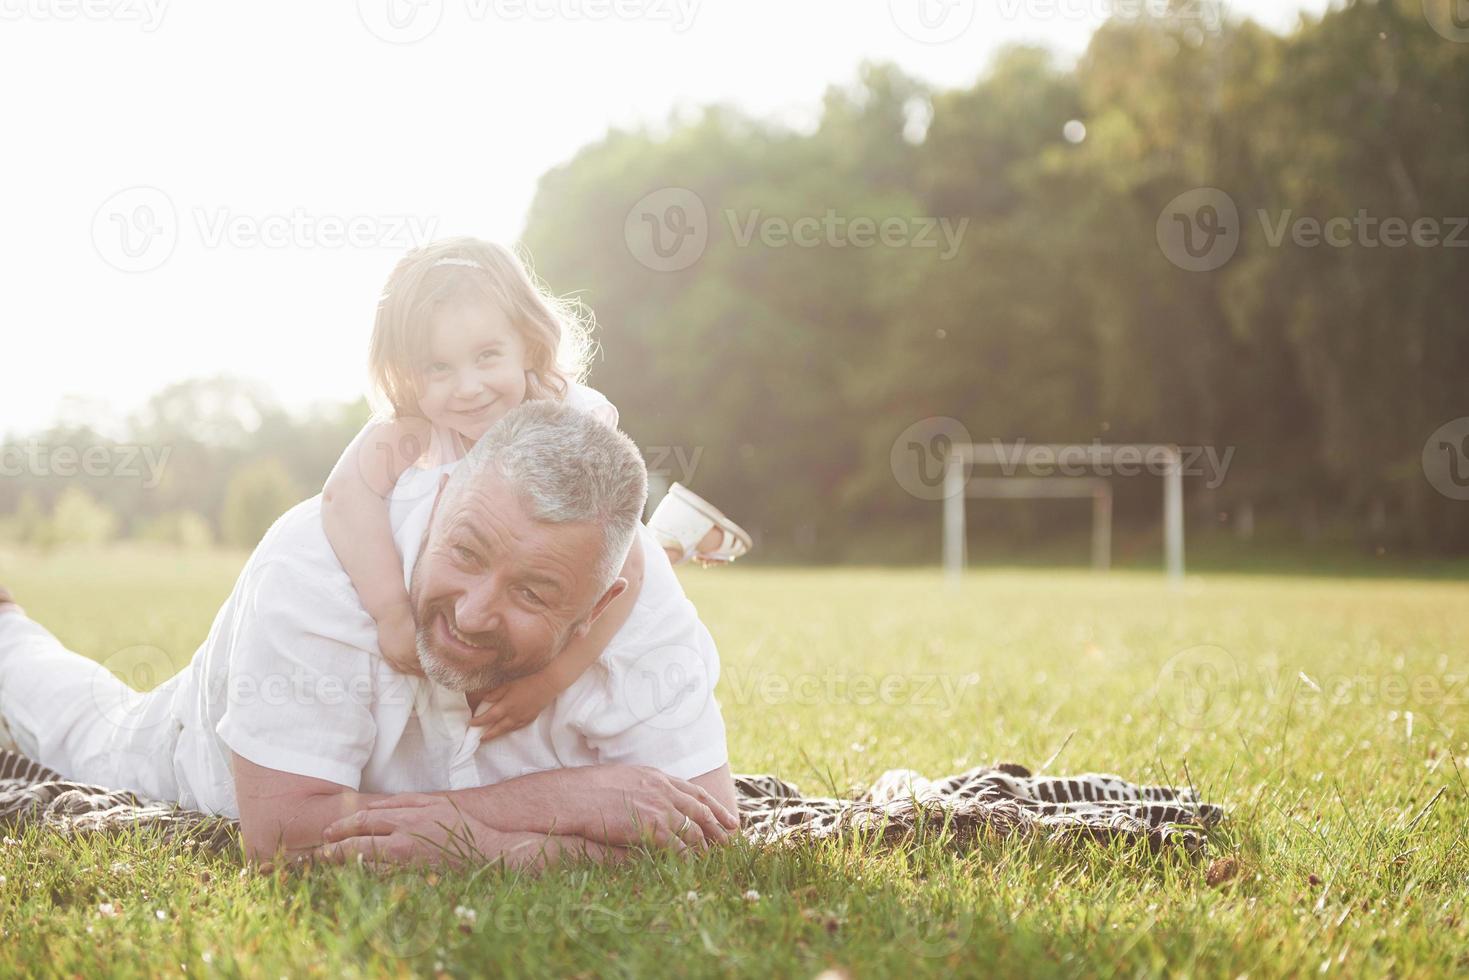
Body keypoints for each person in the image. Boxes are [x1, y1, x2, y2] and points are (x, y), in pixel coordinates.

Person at [0, 401, 738, 868]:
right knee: (91, 730)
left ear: (599, 603)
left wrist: (479, 845)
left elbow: (707, 829)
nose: (476, 612)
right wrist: (561, 806)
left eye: (532, 592)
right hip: (201, 760)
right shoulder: (312, 568)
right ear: (443, 496)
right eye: (467, 554)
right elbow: (286, 838)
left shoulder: (644, 611)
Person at [322, 237, 751, 741]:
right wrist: (392, 611)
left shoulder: (569, 417)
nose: (468, 387)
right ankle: (677, 534)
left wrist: (549, 681)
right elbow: (344, 495)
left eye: (486, 356)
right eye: (438, 367)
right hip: (507, 572)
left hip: (572, 572)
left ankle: (673, 541)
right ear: (405, 370)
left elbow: (627, 571)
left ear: (526, 341)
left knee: (646, 564)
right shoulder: (418, 420)